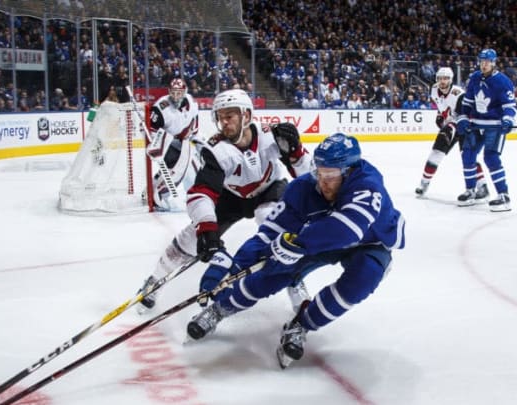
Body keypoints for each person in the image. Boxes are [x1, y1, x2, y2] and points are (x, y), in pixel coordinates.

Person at [186, 133, 406, 369]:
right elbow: (267, 235)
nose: (323, 182)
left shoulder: (368, 184)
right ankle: (220, 308)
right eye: (319, 173)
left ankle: (302, 324)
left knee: (364, 277)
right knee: (272, 270)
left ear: (349, 171)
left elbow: (346, 230)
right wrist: (232, 268)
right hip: (319, 238)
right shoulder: (303, 189)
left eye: (330, 176)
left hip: (370, 242)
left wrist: (298, 244)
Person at [136, 89, 313, 313]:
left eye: (230, 116)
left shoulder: (272, 137)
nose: (224, 122)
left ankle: (295, 282)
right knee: (191, 237)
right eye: (220, 117)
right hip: (232, 196)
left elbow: (309, 177)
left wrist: (296, 152)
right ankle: (155, 281)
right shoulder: (216, 150)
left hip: (270, 188)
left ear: (246, 116)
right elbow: (201, 193)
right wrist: (207, 227)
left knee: (273, 225)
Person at [456, 49, 517, 212]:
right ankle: (470, 191)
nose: (484, 64)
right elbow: (467, 102)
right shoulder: (474, 78)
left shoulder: (503, 81)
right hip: (475, 124)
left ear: (493, 62)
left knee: (491, 158)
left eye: (487, 61)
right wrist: (463, 117)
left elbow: (510, 106)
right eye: (482, 61)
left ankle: (504, 196)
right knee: (467, 155)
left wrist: (508, 119)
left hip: (494, 125)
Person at [415, 67, 488, 200]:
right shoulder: (434, 90)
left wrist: (450, 127)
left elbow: (461, 115)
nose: (442, 81)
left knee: (468, 157)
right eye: (440, 78)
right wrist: (440, 116)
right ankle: (424, 183)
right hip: (450, 125)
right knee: (436, 152)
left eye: (446, 78)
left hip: (465, 127)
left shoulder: (458, 94)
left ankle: (482, 186)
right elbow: (442, 107)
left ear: (451, 79)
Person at [146, 78, 202, 210]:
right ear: (169, 92)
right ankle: (158, 196)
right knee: (175, 169)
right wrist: (157, 146)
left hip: (184, 141)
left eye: (179, 93)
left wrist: (194, 136)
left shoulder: (191, 102)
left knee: (193, 168)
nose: (176, 96)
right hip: (167, 143)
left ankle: (195, 196)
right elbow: (151, 131)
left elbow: (195, 121)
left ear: (185, 92)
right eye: (173, 92)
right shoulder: (161, 107)